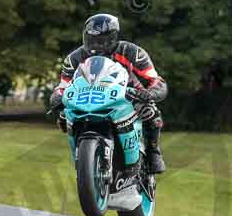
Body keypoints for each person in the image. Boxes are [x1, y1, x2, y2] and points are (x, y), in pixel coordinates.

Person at [50, 13, 167, 174]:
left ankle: (153, 151)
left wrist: (150, 93)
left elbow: (155, 80)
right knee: (64, 115)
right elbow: (63, 86)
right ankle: (84, 157)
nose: (95, 45)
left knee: (151, 112)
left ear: (113, 37)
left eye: (101, 40)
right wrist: (57, 96)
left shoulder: (131, 52)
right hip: (88, 97)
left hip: (127, 95)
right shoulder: (74, 58)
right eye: (91, 39)